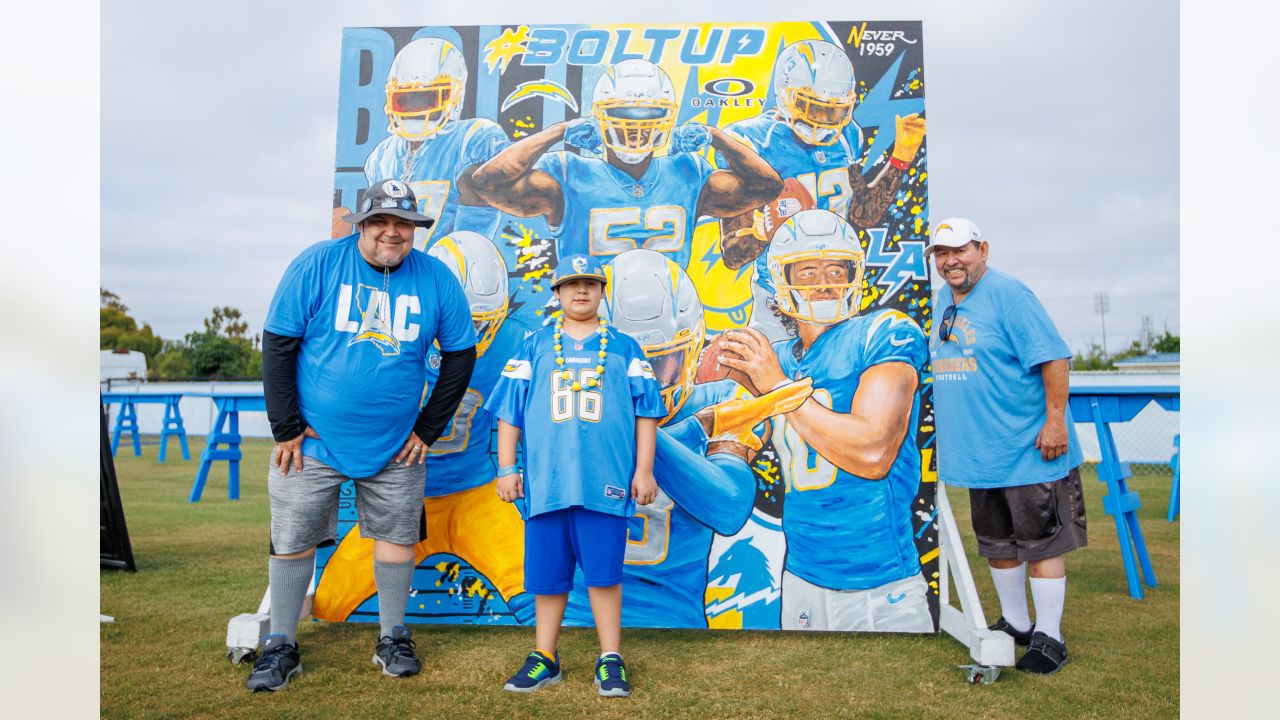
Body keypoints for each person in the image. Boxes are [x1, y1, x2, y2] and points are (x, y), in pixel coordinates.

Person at [247, 179, 477, 692]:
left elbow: (461, 355)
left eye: (403, 224)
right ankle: (281, 641)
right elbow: (278, 343)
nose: (392, 233)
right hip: (312, 442)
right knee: (292, 541)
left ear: (414, 229)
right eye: (381, 223)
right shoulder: (319, 264)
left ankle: (393, 636)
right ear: (363, 226)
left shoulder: (436, 278)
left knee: (396, 539)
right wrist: (285, 426)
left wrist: (427, 427)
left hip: (397, 443)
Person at [715, 209, 933, 632]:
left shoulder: (885, 332)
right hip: (801, 577)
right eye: (808, 271)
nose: (825, 282)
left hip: (880, 583)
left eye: (836, 268)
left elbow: (873, 452)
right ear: (781, 280)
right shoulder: (774, 357)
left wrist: (777, 387)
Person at [308, 231, 535, 626]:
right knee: (329, 601)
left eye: (482, 324)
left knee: (532, 591)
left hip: (475, 495)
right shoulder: (389, 325)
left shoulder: (515, 344)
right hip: (399, 490)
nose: (471, 332)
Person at [486, 254, 666, 697]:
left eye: (590, 283)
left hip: (605, 481)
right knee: (547, 579)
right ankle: (545, 657)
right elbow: (509, 412)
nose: (581, 291)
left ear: (603, 292)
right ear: (558, 293)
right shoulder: (534, 344)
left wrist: (643, 470)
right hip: (548, 482)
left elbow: (646, 413)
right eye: (571, 284)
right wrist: (508, 468)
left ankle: (610, 658)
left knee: (604, 576)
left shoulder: (624, 347)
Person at [927, 216, 1086, 675]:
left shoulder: (1010, 295)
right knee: (997, 544)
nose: (951, 261)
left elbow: (1053, 357)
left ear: (983, 250)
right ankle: (1016, 622)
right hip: (981, 454)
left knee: (1040, 545)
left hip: (1030, 449)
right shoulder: (942, 300)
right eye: (942, 253)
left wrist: (1055, 421)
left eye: (961, 250)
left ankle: (1050, 637)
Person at [470, 58, 781, 270]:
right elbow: (487, 184)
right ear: (600, 118)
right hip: (594, 320)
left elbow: (768, 186)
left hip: (671, 318)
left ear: (667, 119)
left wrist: (715, 136)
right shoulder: (569, 175)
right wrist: (558, 131)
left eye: (649, 116)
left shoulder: (687, 172)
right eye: (624, 116)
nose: (636, 129)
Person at [708, 39, 926, 340]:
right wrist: (761, 233)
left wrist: (900, 158)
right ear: (785, 96)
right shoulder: (756, 144)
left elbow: (863, 214)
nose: (822, 122)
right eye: (812, 107)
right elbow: (733, 255)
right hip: (778, 303)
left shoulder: (847, 137)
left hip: (838, 294)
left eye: (833, 111)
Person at [358, 38, 510, 246]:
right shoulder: (382, 155)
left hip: (456, 268)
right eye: (405, 99)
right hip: (398, 270)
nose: (416, 109)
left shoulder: (473, 138)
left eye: (427, 97)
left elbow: (473, 238)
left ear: (455, 96)